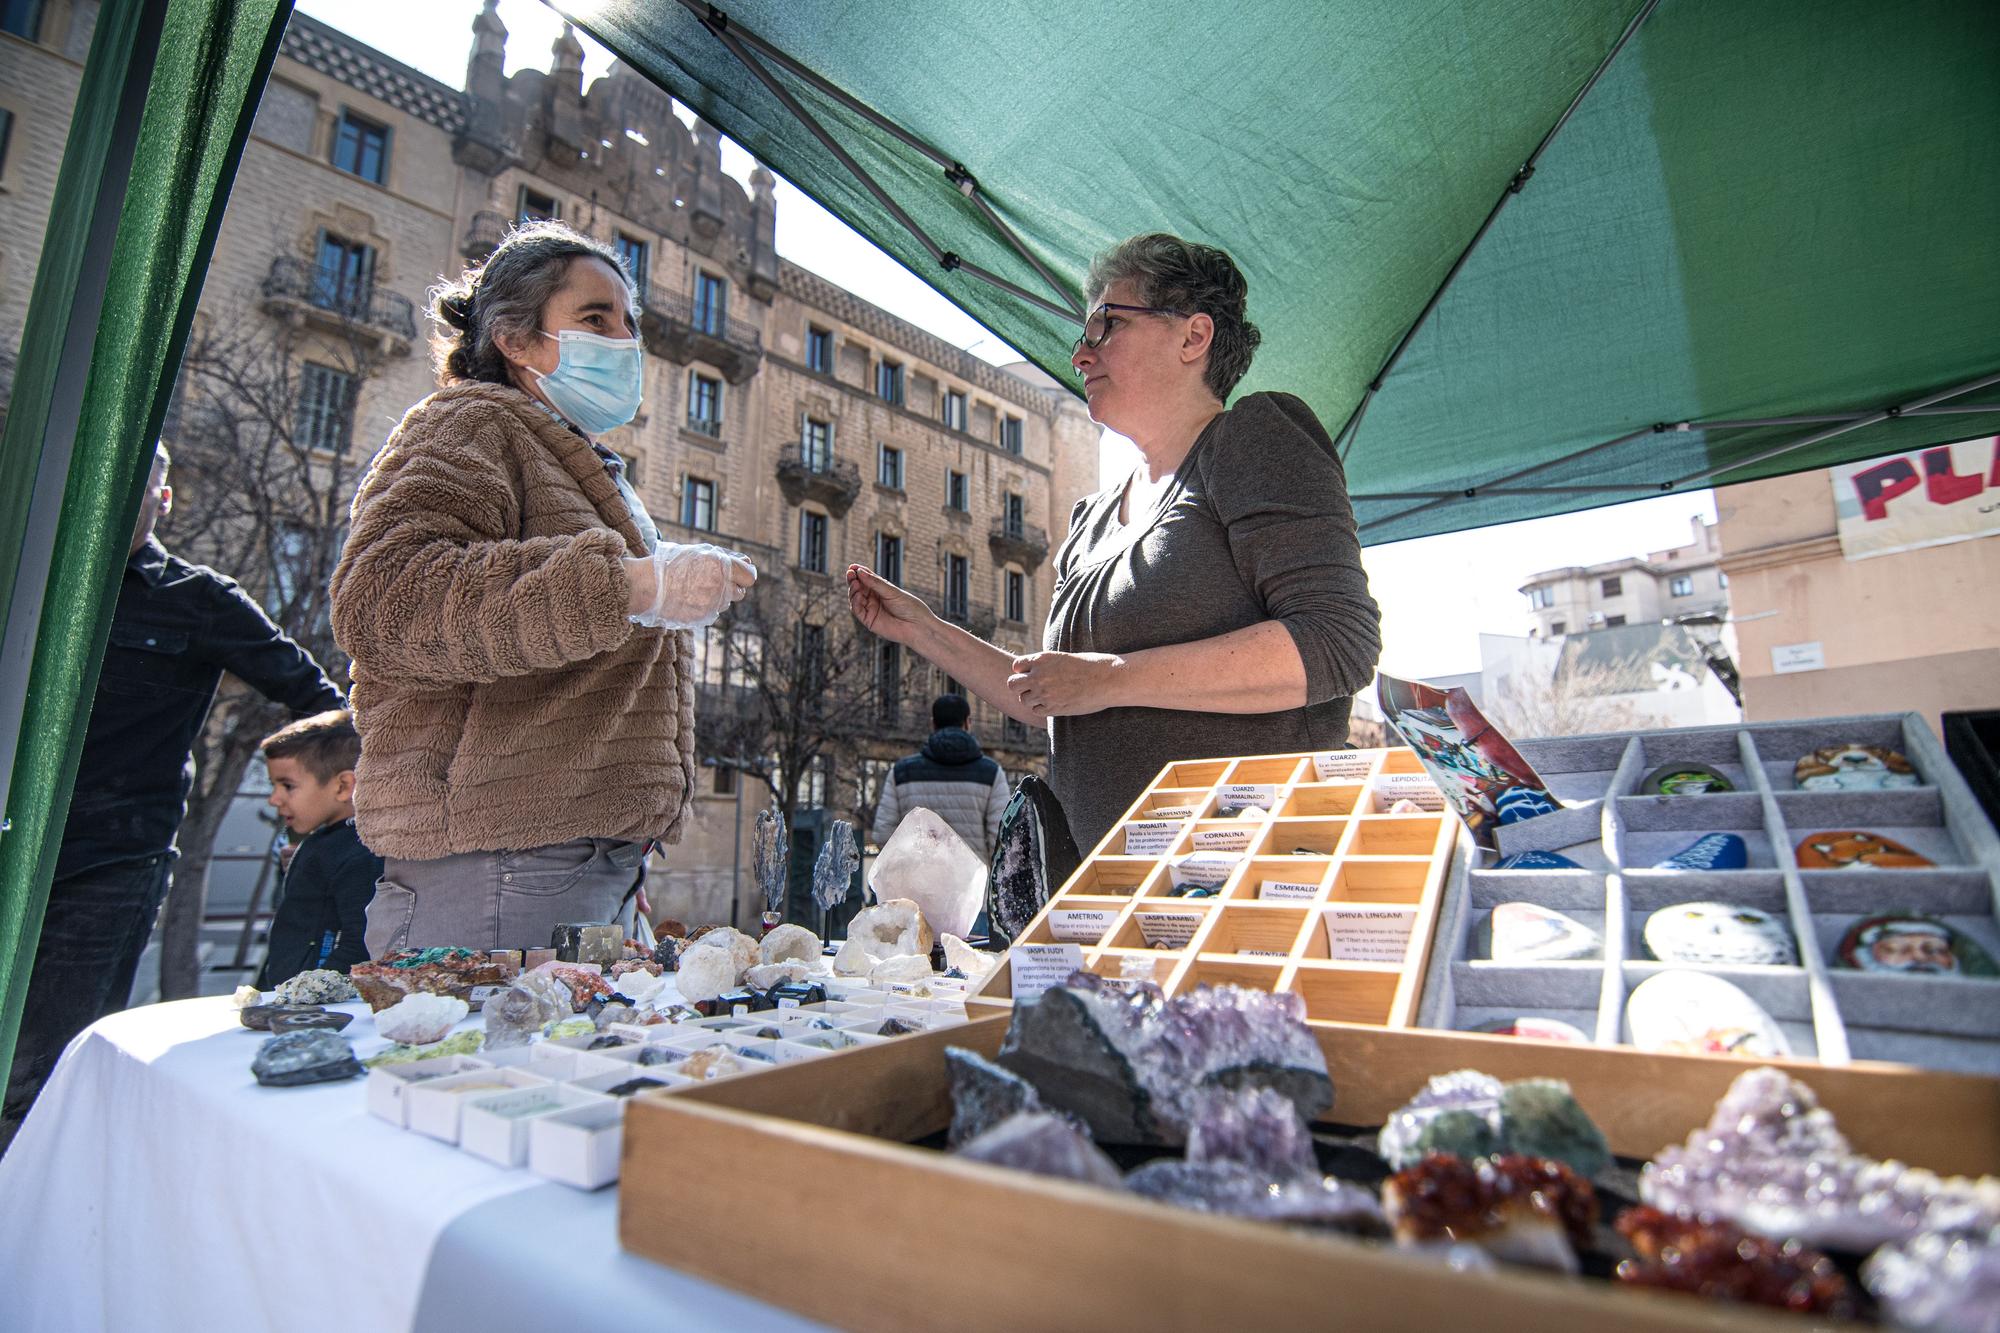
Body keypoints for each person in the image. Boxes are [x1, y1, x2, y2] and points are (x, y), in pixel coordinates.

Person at [849, 234, 1381, 853]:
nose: (1079, 355)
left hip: (1238, 886)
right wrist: (924, 630)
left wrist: (1112, 678)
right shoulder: (1091, 517)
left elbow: (1338, 641)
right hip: (1096, 895)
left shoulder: (1252, 439)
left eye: (1105, 327)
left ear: (1193, 336)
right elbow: (1054, 697)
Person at [330, 220, 755, 956]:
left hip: (577, 864)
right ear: (515, 340)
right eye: (595, 319)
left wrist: (653, 579)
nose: (625, 341)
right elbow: (385, 600)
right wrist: (630, 583)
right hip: (498, 868)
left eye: (630, 322)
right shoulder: (469, 423)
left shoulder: (576, 457)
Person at [3, 444, 344, 1141]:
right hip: (14, 841)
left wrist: (325, 803)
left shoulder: (200, 600)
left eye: (138, 482)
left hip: (109, 862)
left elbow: (318, 698)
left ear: (163, 499)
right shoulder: (24, 568)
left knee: (43, 1068)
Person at [253, 710, 382, 988]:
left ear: (343, 786)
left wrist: (306, 996)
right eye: (273, 785)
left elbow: (359, 944)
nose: (274, 799)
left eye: (287, 786)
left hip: (314, 1010)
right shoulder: (327, 842)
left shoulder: (361, 853)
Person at [872, 694, 1011, 861]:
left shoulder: (901, 772)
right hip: (970, 884)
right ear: (968, 722)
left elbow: (883, 833)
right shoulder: (992, 773)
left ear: (933, 723)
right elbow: (1002, 838)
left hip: (918, 882)